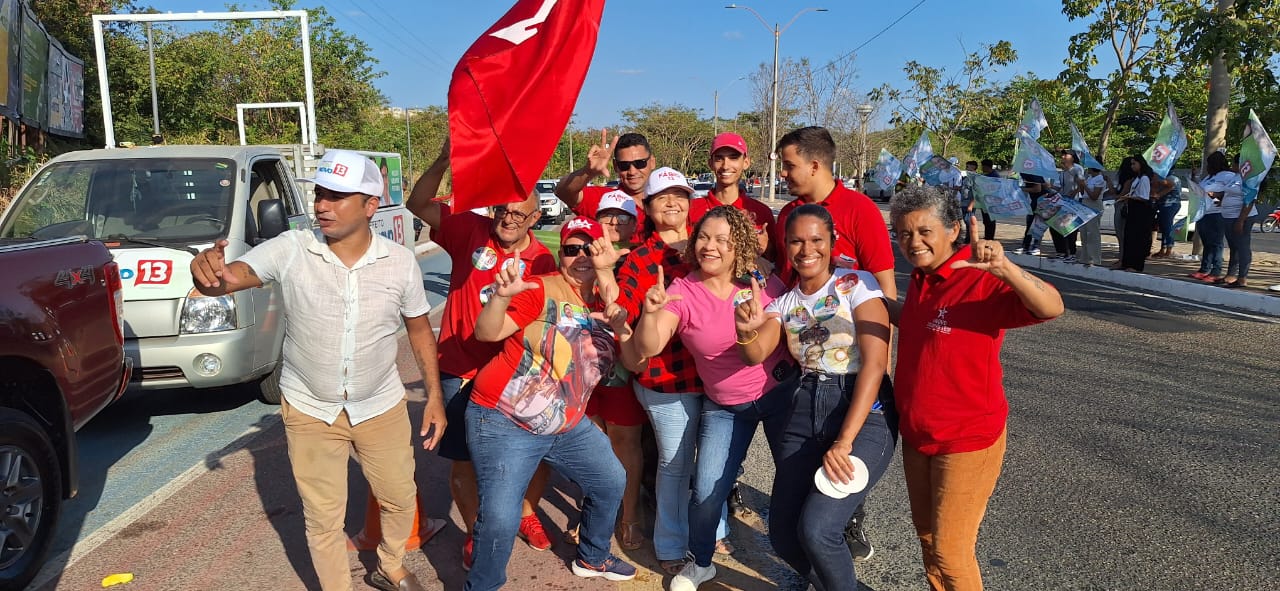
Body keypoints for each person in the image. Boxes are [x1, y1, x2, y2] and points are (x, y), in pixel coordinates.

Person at [191, 150, 447, 591]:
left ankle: (389, 564)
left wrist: (434, 399)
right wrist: (206, 274)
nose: (322, 205)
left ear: (370, 205)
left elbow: (420, 330)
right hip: (310, 409)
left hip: (381, 406)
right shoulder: (292, 249)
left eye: (337, 196)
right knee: (322, 518)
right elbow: (227, 278)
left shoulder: (399, 262)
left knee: (399, 498)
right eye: (320, 194)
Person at [887, 186, 1064, 591]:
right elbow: (918, 322)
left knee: (951, 551)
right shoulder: (921, 278)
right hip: (918, 435)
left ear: (953, 230)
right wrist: (862, 298)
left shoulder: (978, 277)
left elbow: (1052, 307)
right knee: (928, 540)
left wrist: (1007, 270)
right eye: (903, 233)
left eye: (924, 231)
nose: (914, 242)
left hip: (967, 439)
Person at [406, 143, 558, 569]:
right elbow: (417, 203)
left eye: (519, 214)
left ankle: (526, 514)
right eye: (502, 211)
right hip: (459, 368)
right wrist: (442, 161)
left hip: (516, 373)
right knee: (465, 460)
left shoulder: (543, 259)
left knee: (534, 454)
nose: (508, 219)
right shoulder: (468, 230)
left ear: (535, 218)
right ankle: (477, 531)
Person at [467, 217, 638, 589]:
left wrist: (622, 324)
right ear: (561, 254)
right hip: (503, 418)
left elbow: (635, 362)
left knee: (611, 481)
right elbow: (487, 332)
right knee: (499, 517)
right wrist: (501, 297)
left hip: (565, 422)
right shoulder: (538, 289)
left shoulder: (612, 299)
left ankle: (593, 557)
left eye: (589, 249)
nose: (580, 257)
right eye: (571, 249)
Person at [628, 206, 791, 591]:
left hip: (780, 395)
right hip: (726, 406)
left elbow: (780, 333)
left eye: (722, 240)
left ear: (739, 247)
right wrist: (650, 315)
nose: (710, 246)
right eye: (703, 237)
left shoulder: (761, 281)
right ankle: (701, 563)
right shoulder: (681, 290)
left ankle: (808, 561)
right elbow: (649, 345)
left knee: (794, 484)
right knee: (706, 491)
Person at [734, 203, 895, 591]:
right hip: (805, 409)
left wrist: (845, 441)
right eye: (796, 241)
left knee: (819, 529)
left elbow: (875, 364)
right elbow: (755, 353)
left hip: (863, 409)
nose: (807, 250)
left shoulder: (858, 284)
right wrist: (746, 329)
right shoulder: (784, 303)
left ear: (832, 242)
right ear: (785, 247)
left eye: (816, 240)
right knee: (785, 536)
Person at [770, 126, 896, 560]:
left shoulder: (859, 210)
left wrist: (878, 363)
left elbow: (884, 289)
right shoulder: (789, 214)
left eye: (788, 165)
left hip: (856, 369)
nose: (784, 173)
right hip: (805, 371)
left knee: (838, 484)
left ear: (815, 164)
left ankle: (847, 523)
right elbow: (786, 288)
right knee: (799, 498)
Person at [615, 167, 723, 575]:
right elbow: (624, 301)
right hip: (666, 381)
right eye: (662, 197)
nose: (672, 203)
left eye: (679, 195)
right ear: (649, 207)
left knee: (714, 461)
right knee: (675, 464)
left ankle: (713, 533)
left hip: (714, 376)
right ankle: (672, 542)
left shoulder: (707, 248)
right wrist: (621, 307)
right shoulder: (643, 258)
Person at [690, 132, 777, 264]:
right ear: (710, 163)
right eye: (719, 158)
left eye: (733, 158)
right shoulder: (692, 209)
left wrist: (766, 250)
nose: (725, 165)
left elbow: (774, 261)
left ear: (746, 162)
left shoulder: (762, 212)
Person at [556, 132, 654, 235]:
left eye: (640, 163)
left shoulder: (669, 201)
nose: (632, 171)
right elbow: (562, 192)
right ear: (616, 166)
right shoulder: (604, 200)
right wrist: (588, 171)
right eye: (624, 165)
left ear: (652, 162)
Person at [1189, 151, 1233, 283]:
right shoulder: (1208, 177)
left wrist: (1220, 197)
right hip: (1204, 212)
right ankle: (1204, 268)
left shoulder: (1228, 175)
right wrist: (1194, 178)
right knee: (1207, 242)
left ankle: (1216, 270)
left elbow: (1232, 190)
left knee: (1216, 243)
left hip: (1216, 212)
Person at [1120, 155, 1161, 273]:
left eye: (1134, 164)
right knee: (1129, 236)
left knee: (1137, 238)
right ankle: (1127, 262)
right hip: (1133, 209)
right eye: (1131, 164)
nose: (1132, 166)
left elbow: (1143, 196)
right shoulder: (1137, 178)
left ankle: (1136, 264)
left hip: (1140, 210)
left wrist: (1130, 197)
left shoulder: (1144, 178)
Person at [1053, 152, 1086, 263]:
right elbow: (1058, 187)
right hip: (1063, 201)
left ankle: (1072, 253)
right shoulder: (1062, 172)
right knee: (1057, 226)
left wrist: (1075, 191)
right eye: (1062, 155)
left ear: (1072, 157)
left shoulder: (1077, 169)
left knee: (1071, 228)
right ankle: (1061, 251)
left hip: (1074, 202)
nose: (1062, 157)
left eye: (1065, 155)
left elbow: (1082, 183)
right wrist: (1049, 187)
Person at [1078, 166, 1109, 267]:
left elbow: (1094, 196)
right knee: (1084, 231)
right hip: (1085, 202)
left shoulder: (1100, 179)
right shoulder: (1089, 178)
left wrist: (1085, 186)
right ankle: (1085, 257)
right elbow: (1083, 193)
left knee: (1092, 232)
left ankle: (1094, 258)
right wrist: (1081, 185)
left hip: (1094, 205)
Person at [1109, 157, 1137, 268]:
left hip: (1123, 208)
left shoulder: (1130, 180)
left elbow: (1121, 196)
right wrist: (1109, 183)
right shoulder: (1122, 180)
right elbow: (1114, 193)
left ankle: (1124, 260)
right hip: (1118, 206)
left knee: (1123, 235)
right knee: (1119, 235)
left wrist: (1115, 196)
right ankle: (1121, 258)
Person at [1152, 174, 1182, 259]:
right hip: (1164, 204)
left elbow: (1170, 186)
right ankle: (1163, 249)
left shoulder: (1171, 178)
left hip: (1170, 204)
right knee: (1164, 227)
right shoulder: (1166, 178)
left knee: (1167, 227)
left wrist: (1158, 194)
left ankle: (1168, 249)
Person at [977, 159, 999, 241]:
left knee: (990, 221)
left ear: (986, 166)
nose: (982, 168)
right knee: (986, 221)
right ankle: (987, 236)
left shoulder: (994, 176)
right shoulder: (985, 175)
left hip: (992, 202)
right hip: (985, 202)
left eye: (982, 166)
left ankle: (990, 237)